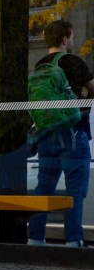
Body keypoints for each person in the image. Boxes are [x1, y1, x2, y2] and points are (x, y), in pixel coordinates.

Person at [28, 20, 94, 247]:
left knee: (44, 187)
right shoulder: (72, 61)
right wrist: (83, 95)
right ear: (65, 39)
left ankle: (35, 238)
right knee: (74, 190)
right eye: (72, 36)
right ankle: (74, 240)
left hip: (47, 134)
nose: (73, 40)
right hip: (73, 134)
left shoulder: (39, 66)